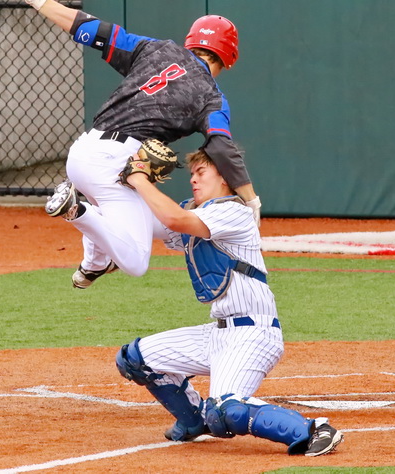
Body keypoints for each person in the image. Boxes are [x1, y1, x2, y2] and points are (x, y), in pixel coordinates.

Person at [7, 0, 261, 289]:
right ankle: (76, 209)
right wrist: (250, 199)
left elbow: (93, 31)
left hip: (83, 151)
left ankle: (92, 265)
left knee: (139, 217)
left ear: (191, 41)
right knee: (137, 262)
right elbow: (221, 147)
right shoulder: (212, 97)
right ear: (228, 57)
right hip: (117, 164)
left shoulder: (156, 48)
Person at [113, 149, 343, 456]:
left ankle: (314, 429)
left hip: (253, 335)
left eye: (201, 173)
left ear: (224, 177)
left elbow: (174, 219)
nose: (193, 179)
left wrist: (139, 178)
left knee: (225, 411)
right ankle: (193, 420)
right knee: (134, 359)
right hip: (217, 333)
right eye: (191, 174)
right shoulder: (197, 211)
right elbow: (145, 226)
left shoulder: (232, 211)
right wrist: (89, 206)